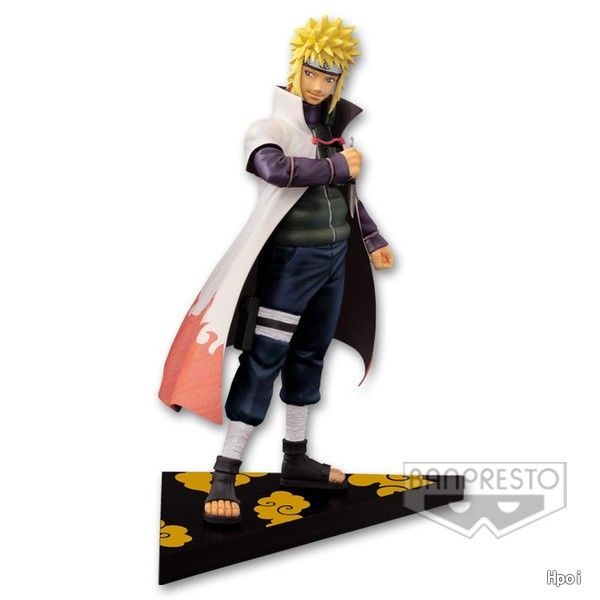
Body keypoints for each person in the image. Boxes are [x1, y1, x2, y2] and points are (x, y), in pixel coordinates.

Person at [158, 16, 394, 525]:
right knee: (265, 358)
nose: (319, 86)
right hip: (290, 264)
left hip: (334, 260)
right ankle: (225, 469)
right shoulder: (270, 129)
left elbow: (348, 197)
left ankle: (295, 458)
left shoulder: (333, 135)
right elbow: (273, 169)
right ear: (296, 68)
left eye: (329, 77)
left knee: (311, 354)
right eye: (312, 73)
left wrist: (372, 239)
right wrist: (335, 167)